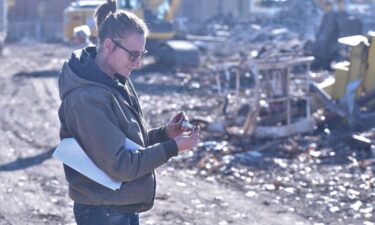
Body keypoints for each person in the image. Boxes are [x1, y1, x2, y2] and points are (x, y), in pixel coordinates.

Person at [57, 1, 200, 224]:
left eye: (141, 54)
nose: (139, 63)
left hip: (116, 207)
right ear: (107, 46)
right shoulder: (86, 97)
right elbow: (121, 165)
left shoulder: (115, 82)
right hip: (103, 212)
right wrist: (173, 147)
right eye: (133, 55)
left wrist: (164, 134)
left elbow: (126, 144)